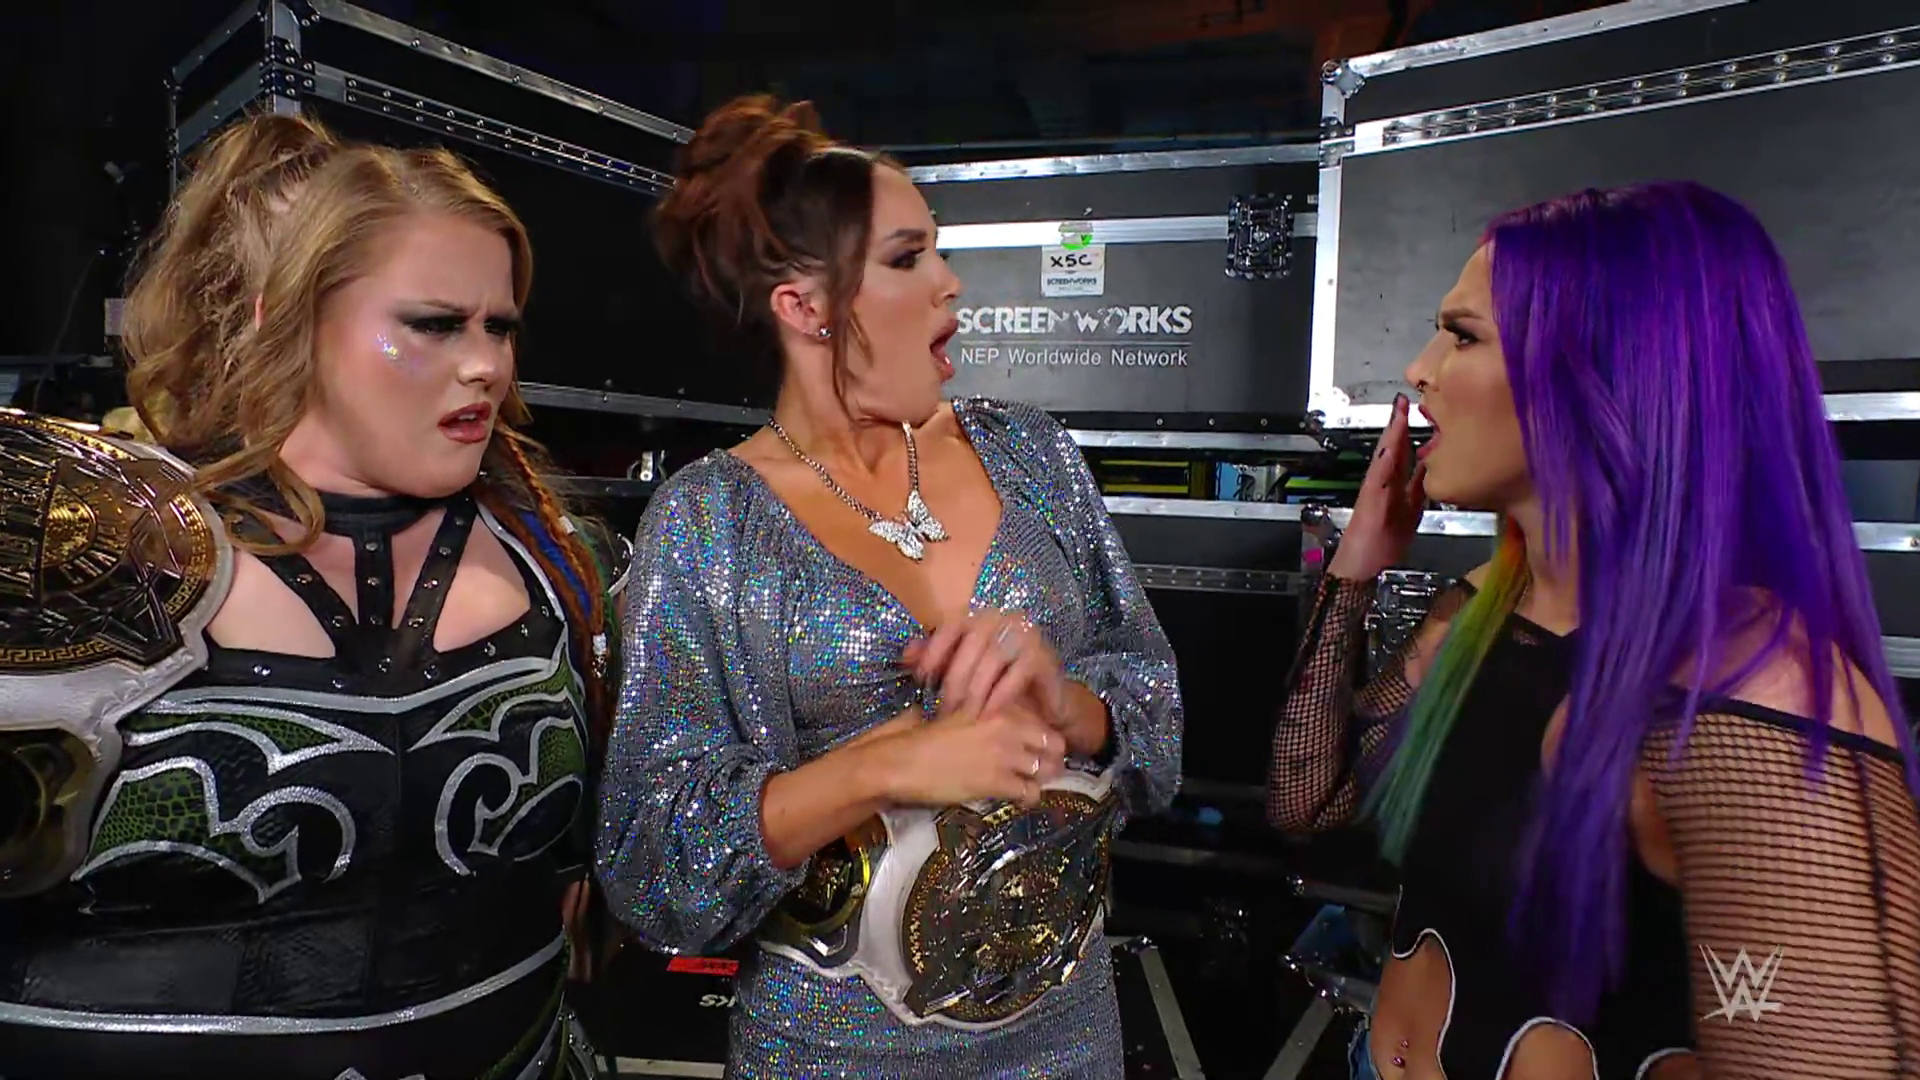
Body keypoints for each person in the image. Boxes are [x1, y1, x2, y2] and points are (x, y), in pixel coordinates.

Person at [0, 111, 620, 1078]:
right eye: (434, 324)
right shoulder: (74, 548)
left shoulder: (558, 559)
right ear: (283, 318)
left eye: (499, 326)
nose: (488, 364)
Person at [1268, 181, 1920, 1079]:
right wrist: (1354, 570)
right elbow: (1305, 802)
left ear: (1602, 372)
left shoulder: (1747, 701)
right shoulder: (1479, 610)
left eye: (1462, 335)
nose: (1418, 370)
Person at [595, 96, 1183, 1078]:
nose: (952, 283)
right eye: (909, 259)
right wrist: (881, 768)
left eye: (937, 250)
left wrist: (1068, 701)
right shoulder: (709, 521)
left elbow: (1156, 732)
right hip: (835, 1051)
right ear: (805, 306)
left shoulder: (1031, 454)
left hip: (1069, 1030)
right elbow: (656, 866)